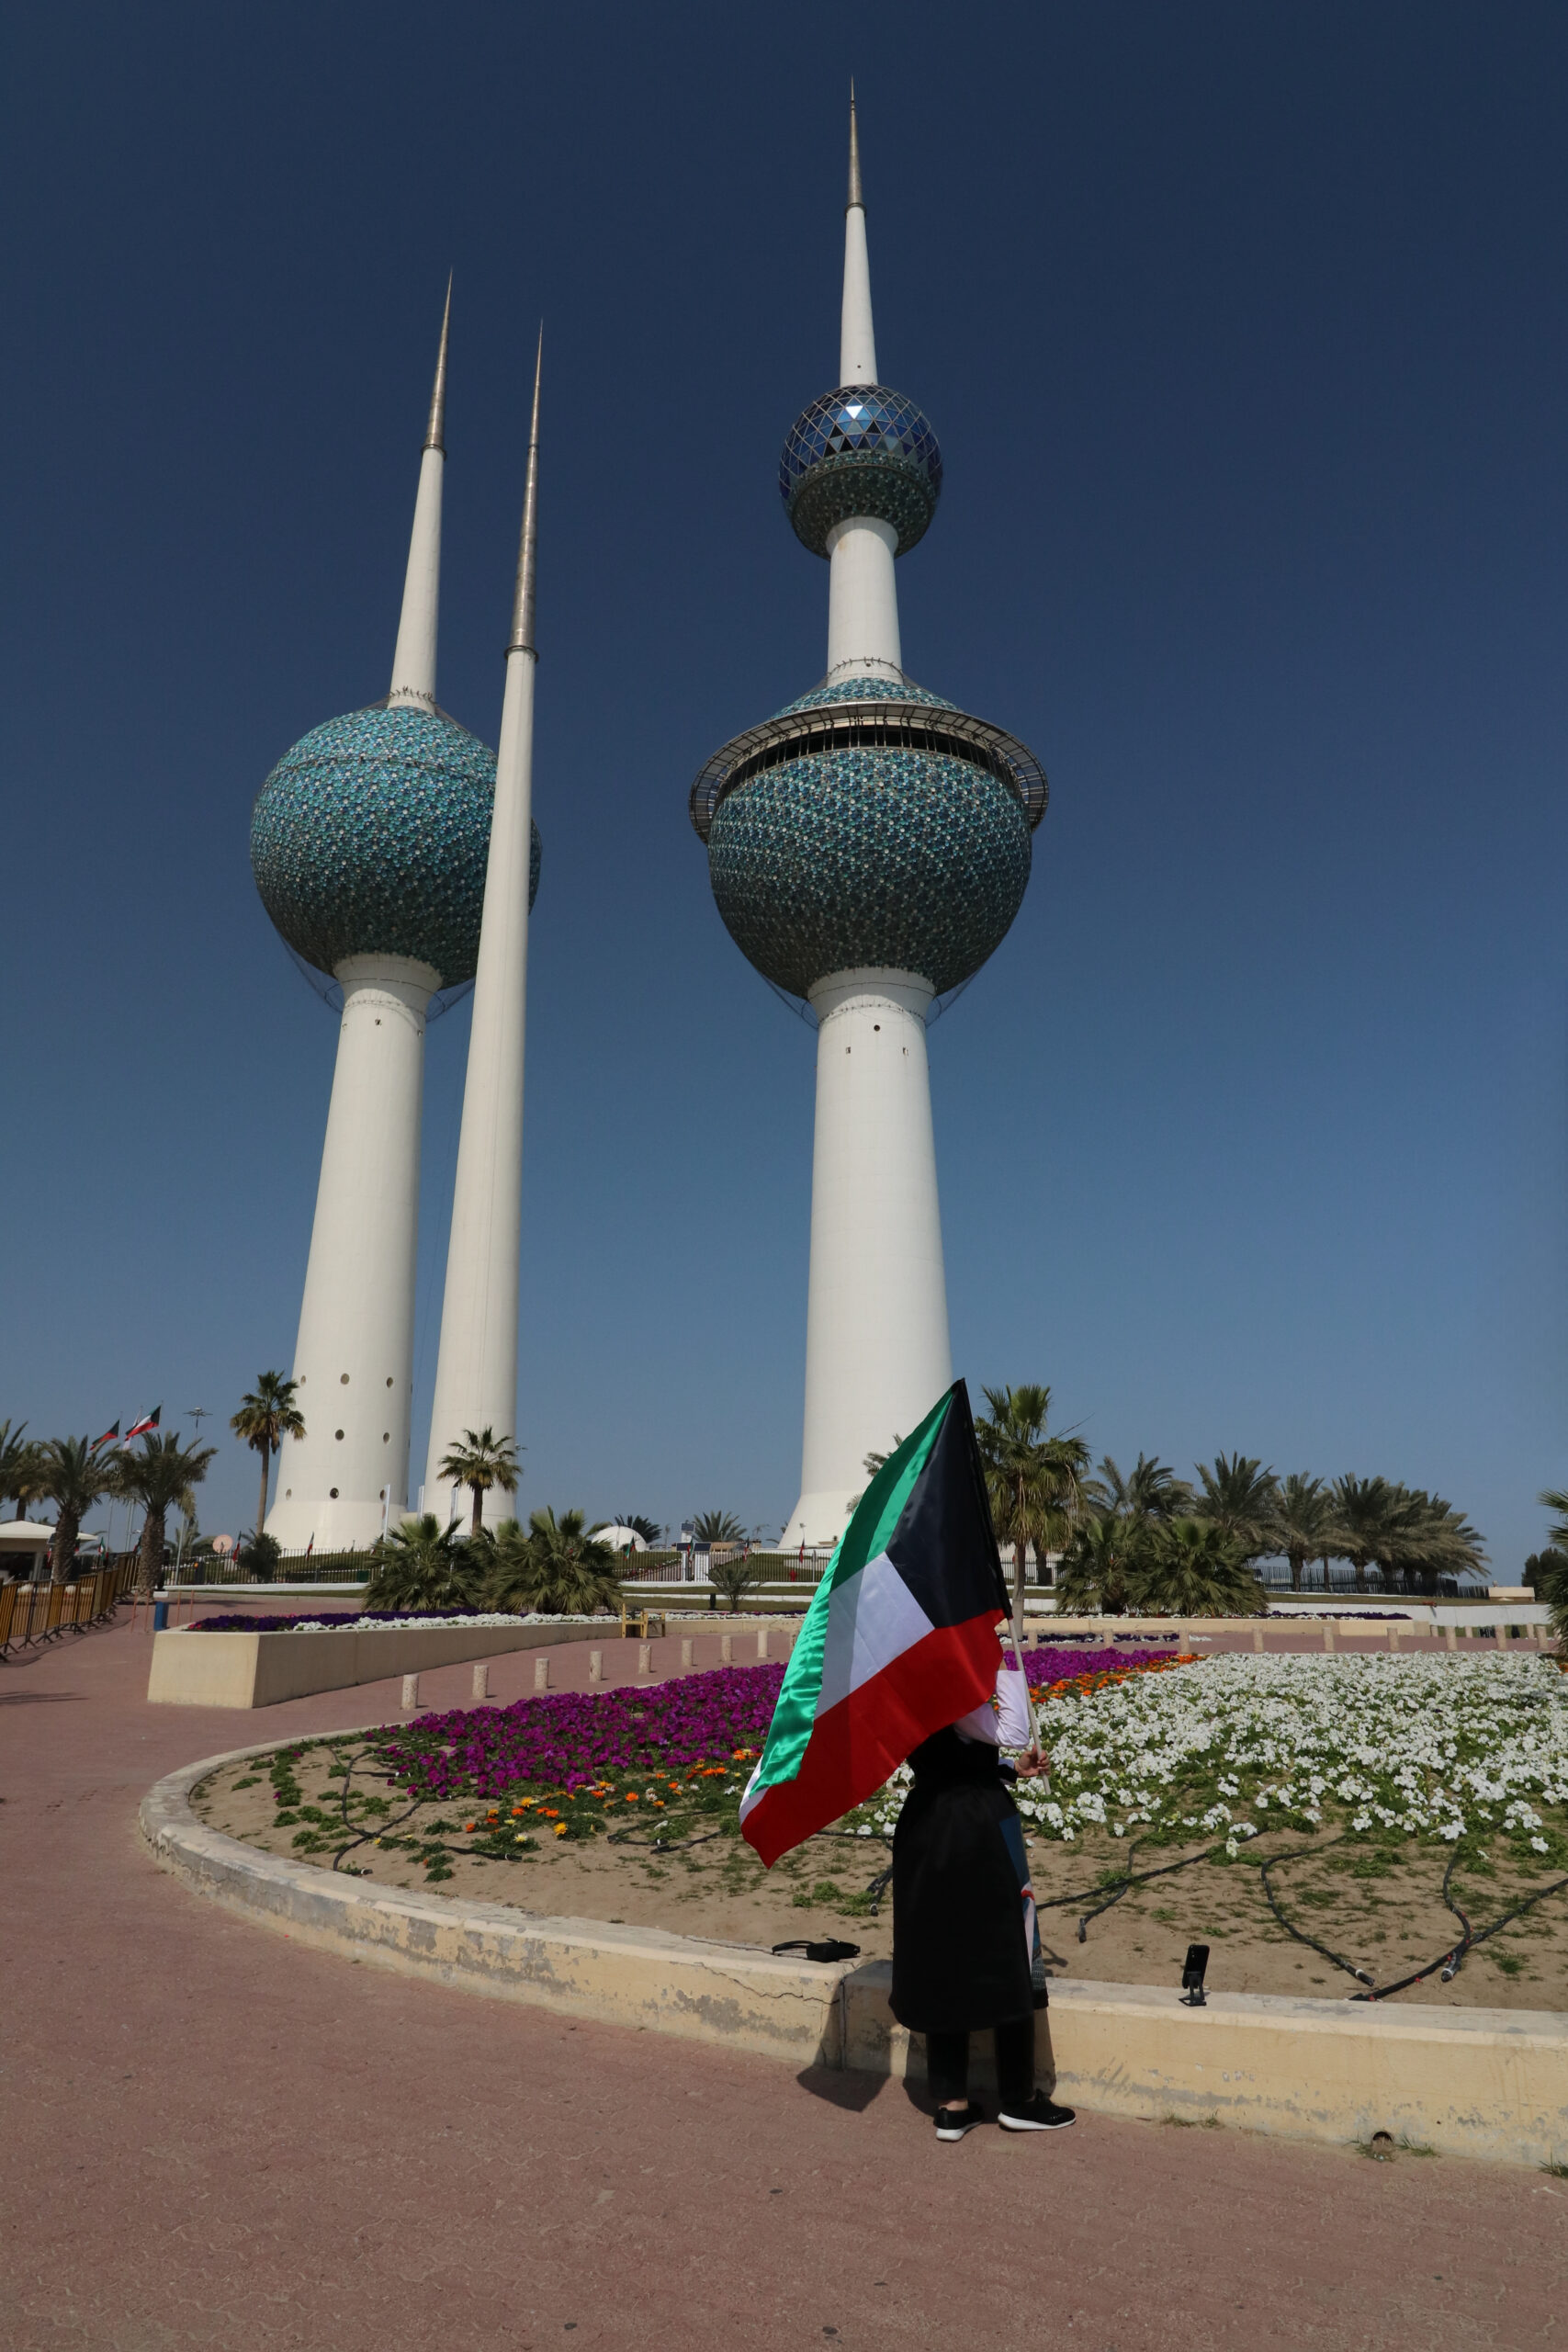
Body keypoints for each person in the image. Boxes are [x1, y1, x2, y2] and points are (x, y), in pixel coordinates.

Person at [890, 1649, 1077, 2142]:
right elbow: (1011, 1730)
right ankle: (1019, 2098)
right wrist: (1004, 1657)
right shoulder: (949, 1670)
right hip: (976, 1827)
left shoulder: (901, 1672)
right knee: (1008, 1950)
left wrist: (1010, 1770)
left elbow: (955, 1757)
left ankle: (953, 2103)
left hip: (925, 1825)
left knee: (942, 1952)